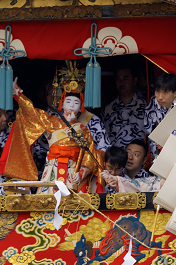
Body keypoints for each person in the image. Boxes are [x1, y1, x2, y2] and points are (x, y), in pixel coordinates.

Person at [8, 64, 110, 193]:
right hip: (52, 168)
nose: (72, 106)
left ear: (81, 106)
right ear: (61, 103)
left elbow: (94, 153)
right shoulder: (51, 121)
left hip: (74, 171)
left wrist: (83, 171)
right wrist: (18, 95)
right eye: (68, 102)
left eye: (76, 103)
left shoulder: (85, 128)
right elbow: (32, 113)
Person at [144, 73, 176, 171]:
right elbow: (147, 128)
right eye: (157, 91)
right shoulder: (154, 102)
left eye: (165, 92)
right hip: (157, 153)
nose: (160, 97)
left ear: (175, 93)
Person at [101, 67, 147, 148]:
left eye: (125, 79)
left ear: (134, 81)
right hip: (115, 157)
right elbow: (104, 137)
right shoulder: (108, 109)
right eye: (118, 79)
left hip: (138, 157)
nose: (121, 83)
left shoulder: (146, 106)